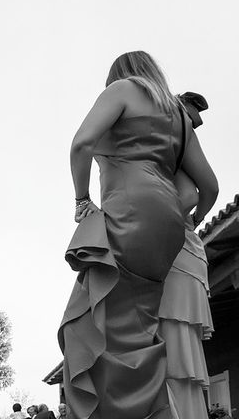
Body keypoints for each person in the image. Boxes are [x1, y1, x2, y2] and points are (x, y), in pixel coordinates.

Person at [59, 51, 218, 419]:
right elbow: (208, 188)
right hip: (167, 229)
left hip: (127, 211)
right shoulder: (178, 116)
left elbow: (81, 144)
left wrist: (82, 201)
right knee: (139, 332)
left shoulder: (122, 90)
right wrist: (190, 219)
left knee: (93, 327)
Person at [158, 91, 214, 419]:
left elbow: (193, 194)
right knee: (178, 346)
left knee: (173, 345)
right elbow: (203, 192)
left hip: (175, 245)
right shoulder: (174, 132)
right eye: (193, 119)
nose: (194, 128)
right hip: (181, 250)